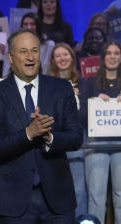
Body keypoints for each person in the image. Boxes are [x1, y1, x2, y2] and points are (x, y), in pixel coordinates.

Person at [0, 29, 82, 223]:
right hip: (13, 199)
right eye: (23, 51)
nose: (30, 57)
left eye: (34, 51)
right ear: (11, 57)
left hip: (57, 197)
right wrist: (28, 133)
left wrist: (50, 138)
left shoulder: (61, 88)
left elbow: (76, 137)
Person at [79, 40, 121, 224]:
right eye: (109, 53)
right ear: (102, 58)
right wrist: (94, 104)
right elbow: (80, 117)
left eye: (116, 53)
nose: (112, 56)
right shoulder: (89, 83)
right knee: (96, 195)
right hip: (96, 143)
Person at [47, 43, 86, 216]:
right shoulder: (47, 83)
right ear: (53, 60)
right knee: (55, 186)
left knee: (78, 186)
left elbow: (88, 115)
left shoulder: (84, 83)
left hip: (77, 137)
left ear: (72, 57)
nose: (62, 58)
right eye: (58, 56)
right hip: (54, 138)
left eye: (66, 54)